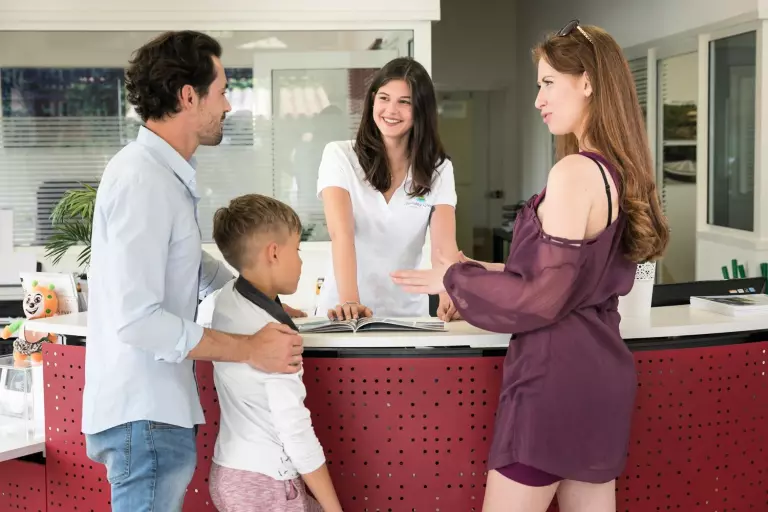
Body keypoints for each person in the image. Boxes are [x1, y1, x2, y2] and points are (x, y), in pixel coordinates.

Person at [391, 20, 669, 512]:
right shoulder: (617, 172)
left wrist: (453, 278)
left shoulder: (574, 171)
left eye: (547, 83)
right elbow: (569, 278)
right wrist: (480, 269)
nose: (538, 100)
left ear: (588, 82)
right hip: (601, 376)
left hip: (554, 379)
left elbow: (542, 298)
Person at [81, 31, 304, 512]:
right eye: (221, 92)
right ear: (188, 96)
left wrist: (255, 297)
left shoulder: (157, 174)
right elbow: (138, 321)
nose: (228, 105)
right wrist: (250, 347)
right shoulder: (143, 180)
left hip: (150, 415)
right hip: (145, 415)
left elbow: (187, 264)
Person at [207, 194, 343, 512]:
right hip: (267, 483)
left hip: (230, 471)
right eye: (297, 249)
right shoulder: (277, 342)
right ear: (274, 252)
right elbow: (296, 432)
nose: (301, 261)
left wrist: (280, 307)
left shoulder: (227, 297)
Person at [316, 57, 460, 322]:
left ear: (421, 110)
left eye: (404, 102)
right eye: (384, 98)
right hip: (343, 311)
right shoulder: (340, 156)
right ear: (373, 100)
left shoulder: (439, 169)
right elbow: (341, 234)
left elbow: (444, 247)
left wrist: (450, 296)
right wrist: (350, 302)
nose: (391, 110)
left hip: (406, 315)